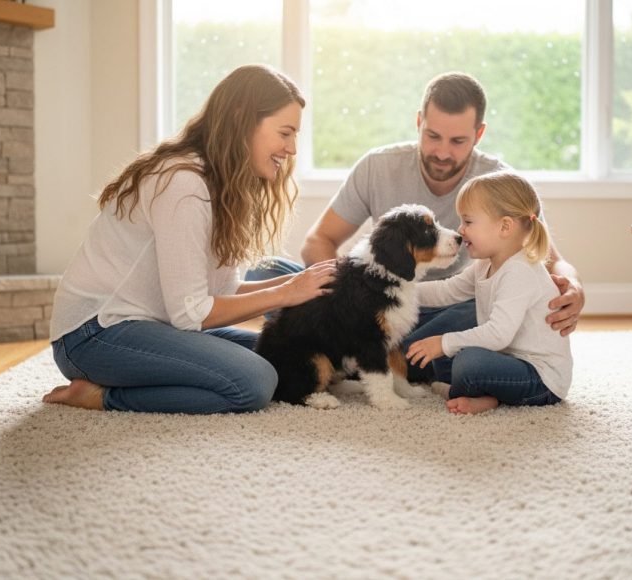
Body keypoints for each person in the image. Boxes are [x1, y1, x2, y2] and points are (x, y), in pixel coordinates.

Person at [250, 71, 583, 380]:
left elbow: (551, 259)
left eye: (457, 141)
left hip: (445, 309)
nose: (441, 152)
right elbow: (319, 239)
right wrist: (346, 299)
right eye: (433, 136)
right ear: (419, 122)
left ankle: (366, 358)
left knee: (485, 311)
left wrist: (572, 285)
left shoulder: (497, 182)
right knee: (267, 272)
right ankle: (362, 353)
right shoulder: (378, 166)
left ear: (478, 134)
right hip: (373, 299)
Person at [43, 65, 336, 414]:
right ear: (242, 121)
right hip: (93, 334)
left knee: (285, 359)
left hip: (155, 325)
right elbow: (191, 314)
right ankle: (103, 397)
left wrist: (304, 283)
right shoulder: (184, 183)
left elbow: (219, 294)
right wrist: (286, 293)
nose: (292, 149)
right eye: (285, 133)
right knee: (253, 382)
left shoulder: (226, 188)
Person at [406, 171, 572, 414]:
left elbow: (498, 335)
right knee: (448, 350)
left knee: (467, 362)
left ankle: (484, 396)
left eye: (468, 222)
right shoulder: (486, 264)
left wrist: (444, 343)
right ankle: (486, 392)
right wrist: (401, 291)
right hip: (506, 359)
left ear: (505, 226)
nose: (460, 230)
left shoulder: (520, 271)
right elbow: (446, 291)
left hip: (540, 378)